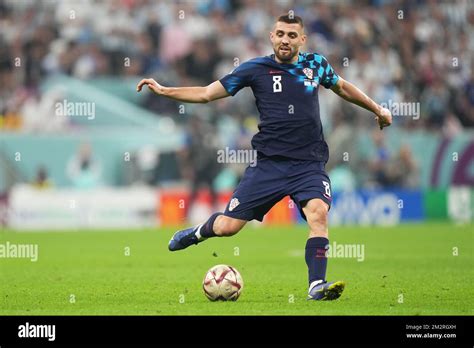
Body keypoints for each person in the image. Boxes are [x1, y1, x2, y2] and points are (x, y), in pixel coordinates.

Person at [137, 15, 392, 301]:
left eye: (292, 35)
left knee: (318, 214)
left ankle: (316, 286)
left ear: (302, 40)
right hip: (268, 166)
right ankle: (196, 233)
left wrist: (377, 109)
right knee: (227, 227)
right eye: (280, 34)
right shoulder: (255, 69)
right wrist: (164, 90)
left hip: (308, 165)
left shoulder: (316, 65)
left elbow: (343, 87)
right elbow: (207, 94)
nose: (285, 39)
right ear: (271, 37)